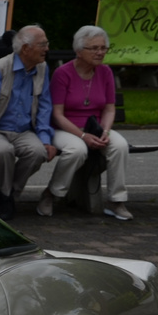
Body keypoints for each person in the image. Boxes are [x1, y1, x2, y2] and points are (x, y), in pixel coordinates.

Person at [0, 24, 56, 220]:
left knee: (38, 151)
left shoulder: (41, 68)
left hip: (23, 131)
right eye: (43, 44)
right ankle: (8, 198)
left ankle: (7, 195)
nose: (47, 49)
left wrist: (45, 138)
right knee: (4, 151)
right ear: (26, 49)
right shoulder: (0, 69)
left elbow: (44, 107)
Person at [42, 25, 132, 221]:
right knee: (77, 150)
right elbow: (57, 114)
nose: (100, 52)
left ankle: (116, 201)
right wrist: (82, 136)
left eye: (103, 48)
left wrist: (105, 132)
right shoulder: (62, 73)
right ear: (79, 51)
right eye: (94, 48)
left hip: (96, 127)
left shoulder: (105, 72)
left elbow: (109, 108)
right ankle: (52, 194)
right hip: (65, 128)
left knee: (120, 146)